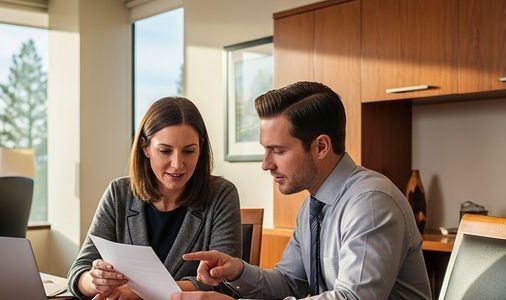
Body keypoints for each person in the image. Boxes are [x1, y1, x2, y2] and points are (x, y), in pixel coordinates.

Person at [173, 81, 431, 299]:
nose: (266, 164)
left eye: (278, 150)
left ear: (320, 147)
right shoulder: (313, 204)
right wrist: (238, 270)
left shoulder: (371, 202)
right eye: (265, 149)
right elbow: (288, 281)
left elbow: (351, 298)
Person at [67, 97, 242, 300]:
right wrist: (96, 280)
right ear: (145, 147)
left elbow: (226, 284)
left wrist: (141, 293)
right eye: (165, 151)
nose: (177, 164)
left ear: (200, 148)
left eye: (189, 151)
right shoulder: (119, 193)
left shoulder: (221, 194)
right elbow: (78, 273)